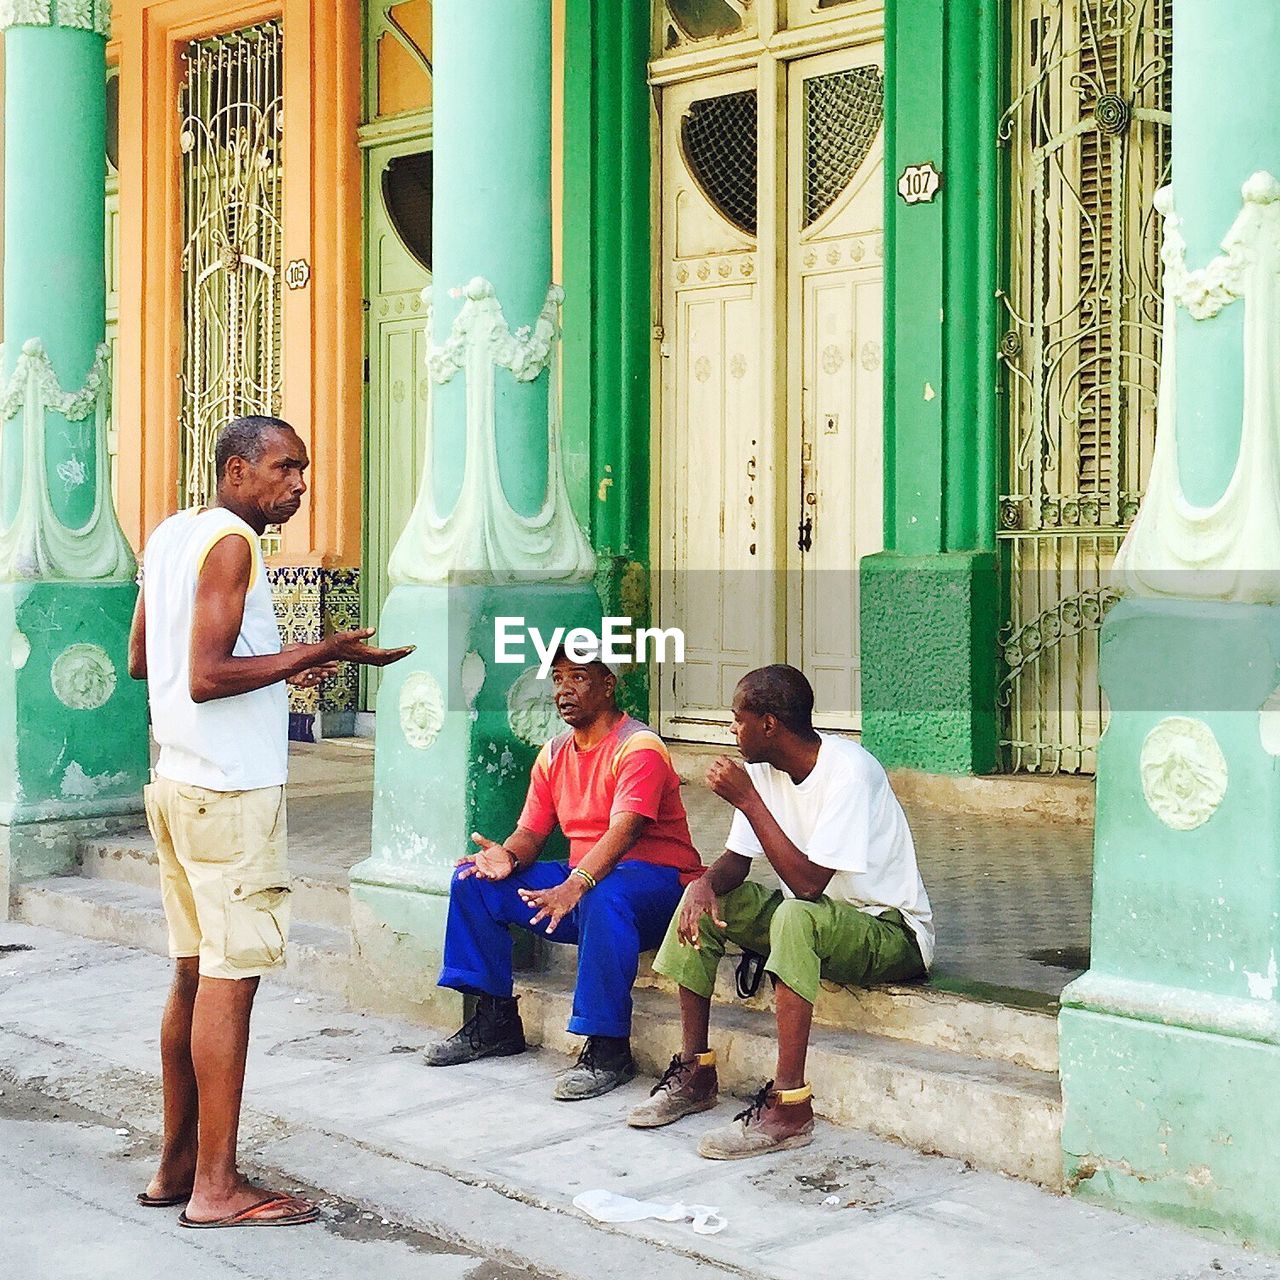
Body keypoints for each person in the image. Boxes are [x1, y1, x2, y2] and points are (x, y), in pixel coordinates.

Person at [127, 416, 412, 1228]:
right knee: (230, 980)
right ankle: (217, 1187)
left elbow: (145, 661)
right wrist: (323, 654)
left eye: (305, 470)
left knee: (193, 972)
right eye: (286, 469)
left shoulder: (169, 535)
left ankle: (178, 1166)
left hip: (179, 784)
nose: (299, 485)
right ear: (237, 468)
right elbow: (208, 674)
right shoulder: (232, 546)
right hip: (231, 794)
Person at [628, 664, 933, 1160]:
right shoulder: (764, 772)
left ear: (769, 724)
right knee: (705, 899)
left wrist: (750, 801)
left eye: (737, 718)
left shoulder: (849, 771)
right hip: (821, 919)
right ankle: (695, 1071)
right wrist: (703, 884)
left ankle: (790, 1105)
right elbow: (735, 862)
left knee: (795, 915)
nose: (731, 729)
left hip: (890, 930)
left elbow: (808, 885)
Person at [424, 648, 705, 1100]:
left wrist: (576, 884)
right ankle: (495, 1020)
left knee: (602, 893)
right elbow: (530, 831)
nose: (563, 691)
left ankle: (609, 1047)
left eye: (577, 677)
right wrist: (509, 859)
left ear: (608, 685)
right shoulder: (553, 753)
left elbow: (624, 831)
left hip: (658, 886)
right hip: (585, 884)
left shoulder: (640, 747)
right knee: (473, 883)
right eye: (557, 679)